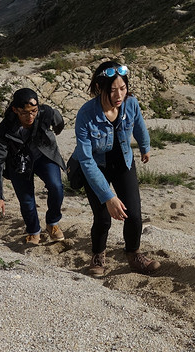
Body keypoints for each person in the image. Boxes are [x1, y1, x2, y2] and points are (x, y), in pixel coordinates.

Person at [72, 60, 160, 277]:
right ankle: (98, 256)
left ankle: (134, 255)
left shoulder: (130, 104)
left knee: (135, 215)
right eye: (113, 90)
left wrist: (145, 146)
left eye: (123, 88)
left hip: (123, 162)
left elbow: (139, 124)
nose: (119, 95)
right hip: (95, 166)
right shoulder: (85, 115)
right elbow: (86, 160)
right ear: (100, 88)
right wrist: (108, 196)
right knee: (102, 217)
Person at [0, 87, 66, 245]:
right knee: (27, 200)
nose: (30, 116)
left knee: (56, 187)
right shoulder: (4, 130)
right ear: (15, 110)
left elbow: (59, 123)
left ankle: (52, 223)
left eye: (34, 111)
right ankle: (33, 231)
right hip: (18, 162)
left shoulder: (46, 113)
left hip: (44, 155)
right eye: (24, 112)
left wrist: (53, 132)